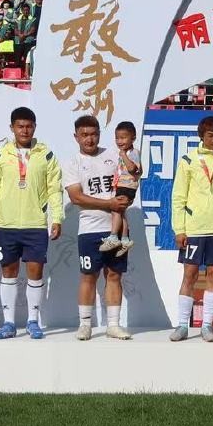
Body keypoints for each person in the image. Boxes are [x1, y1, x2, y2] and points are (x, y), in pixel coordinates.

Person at [0, 106, 63, 340]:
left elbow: (54, 189)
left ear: (35, 127)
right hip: (6, 225)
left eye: (29, 126)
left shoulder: (46, 155)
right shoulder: (0, 156)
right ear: (12, 128)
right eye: (20, 126)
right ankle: (9, 323)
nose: (25, 130)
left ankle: (32, 321)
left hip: (35, 224)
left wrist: (57, 218)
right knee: (8, 273)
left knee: (35, 273)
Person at [62, 114, 134, 342]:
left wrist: (126, 198)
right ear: (76, 137)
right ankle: (85, 325)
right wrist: (109, 204)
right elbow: (76, 197)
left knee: (114, 275)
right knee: (88, 276)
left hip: (116, 226)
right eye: (84, 135)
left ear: (99, 135)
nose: (89, 139)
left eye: (93, 134)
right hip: (89, 229)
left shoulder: (114, 155)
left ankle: (113, 325)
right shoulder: (72, 163)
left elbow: (131, 177)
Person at [171, 115, 213, 342]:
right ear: (201, 136)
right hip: (194, 228)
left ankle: (207, 326)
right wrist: (179, 229)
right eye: (210, 135)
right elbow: (178, 197)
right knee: (189, 274)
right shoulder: (188, 160)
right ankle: (182, 325)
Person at [101, 121, 142, 255]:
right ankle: (124, 239)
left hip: (127, 186)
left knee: (116, 210)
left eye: (123, 138)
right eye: (117, 138)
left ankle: (114, 237)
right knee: (121, 212)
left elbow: (132, 168)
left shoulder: (132, 153)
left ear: (133, 138)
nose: (119, 141)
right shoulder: (125, 152)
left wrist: (124, 155)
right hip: (122, 185)